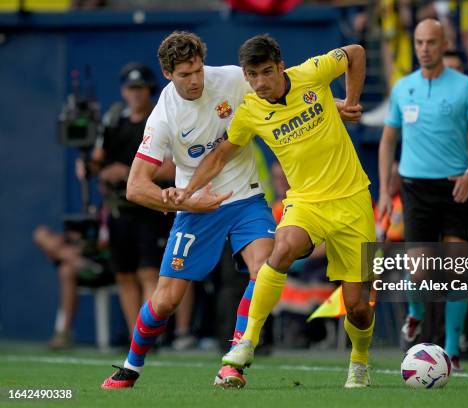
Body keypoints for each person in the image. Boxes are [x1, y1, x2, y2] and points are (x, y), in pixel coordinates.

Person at [167, 34, 376, 388]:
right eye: (253, 75)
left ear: (280, 66)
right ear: (246, 76)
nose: (261, 82)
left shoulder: (312, 73)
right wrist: (188, 190)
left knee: (356, 305)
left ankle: (359, 361)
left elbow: (355, 53)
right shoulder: (250, 111)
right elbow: (219, 155)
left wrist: (351, 102)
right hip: (306, 203)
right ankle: (247, 342)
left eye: (267, 72)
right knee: (280, 250)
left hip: (353, 199)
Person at [100, 31, 275, 390]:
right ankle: (131, 367)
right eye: (184, 75)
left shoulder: (230, 78)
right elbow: (136, 186)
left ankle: (234, 363)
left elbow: (281, 90)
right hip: (196, 208)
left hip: (246, 197)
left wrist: (331, 105)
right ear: (168, 74)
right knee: (165, 301)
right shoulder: (163, 116)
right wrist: (184, 199)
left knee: (266, 269)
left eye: (197, 70)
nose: (194, 80)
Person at [377, 19, 468, 371]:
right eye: (418, 42)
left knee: (457, 270)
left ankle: (452, 350)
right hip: (415, 188)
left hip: (454, 186)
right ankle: (414, 314)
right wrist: (385, 190)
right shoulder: (403, 88)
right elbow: (387, 140)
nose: (424, 48)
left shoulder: (464, 87)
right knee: (419, 271)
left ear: (444, 44)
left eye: (431, 42)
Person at [85, 63, 175, 336]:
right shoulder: (113, 122)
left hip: (150, 205)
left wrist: (129, 173)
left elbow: (172, 167)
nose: (136, 94)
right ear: (123, 91)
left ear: (150, 90)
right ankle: (134, 332)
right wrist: (95, 168)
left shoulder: (160, 120)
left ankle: (150, 334)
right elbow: (97, 162)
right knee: (124, 273)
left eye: (141, 88)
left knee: (149, 271)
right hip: (118, 209)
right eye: (130, 88)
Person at [33, 217, 113, 350]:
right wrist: (72, 240)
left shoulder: (111, 214)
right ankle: (64, 334)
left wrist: (86, 247)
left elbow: (106, 244)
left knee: (65, 269)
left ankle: (63, 332)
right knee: (41, 235)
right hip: (78, 262)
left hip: (104, 266)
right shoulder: (88, 216)